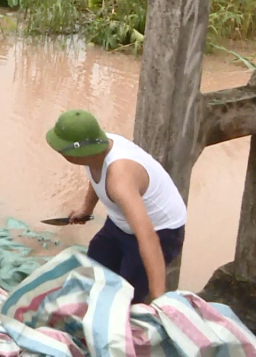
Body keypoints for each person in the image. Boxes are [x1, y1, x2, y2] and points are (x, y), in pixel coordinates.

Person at [47, 110, 187, 304]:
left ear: (75, 155)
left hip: (160, 230)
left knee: (125, 296)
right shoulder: (97, 148)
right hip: (120, 222)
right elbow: (96, 175)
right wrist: (86, 209)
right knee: (95, 269)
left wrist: (159, 299)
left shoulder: (119, 179)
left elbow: (147, 237)